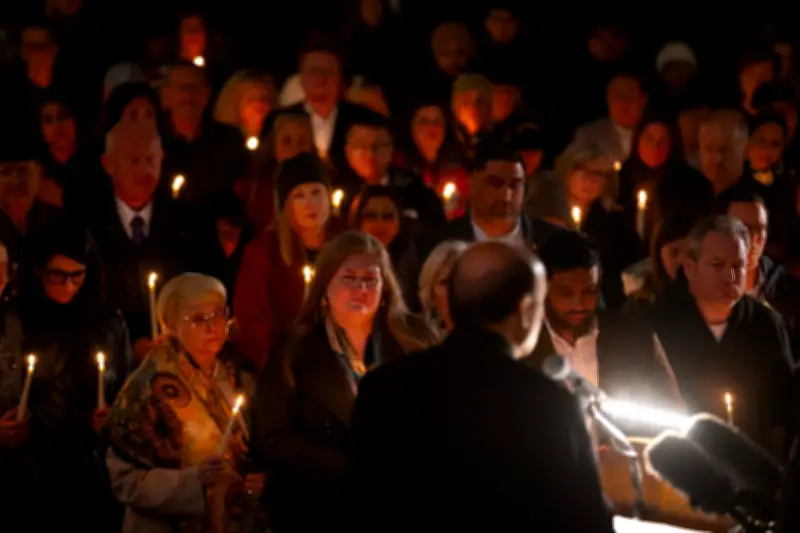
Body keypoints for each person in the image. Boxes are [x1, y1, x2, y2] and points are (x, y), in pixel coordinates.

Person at [349, 241, 615, 532]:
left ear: (451, 301)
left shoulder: (383, 386)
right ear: (525, 309)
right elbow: (588, 523)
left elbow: (359, 505)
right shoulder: (551, 405)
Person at [251, 230, 435, 533]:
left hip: (398, 505)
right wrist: (349, 469)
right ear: (325, 286)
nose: (360, 289)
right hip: (317, 507)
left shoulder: (411, 344)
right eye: (348, 278)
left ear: (385, 287)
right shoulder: (294, 351)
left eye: (370, 279)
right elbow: (272, 437)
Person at [105, 273, 264, 533]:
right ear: (170, 324)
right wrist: (192, 481)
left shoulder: (240, 374)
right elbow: (125, 480)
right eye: (198, 319)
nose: (213, 328)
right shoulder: (147, 387)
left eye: (218, 315)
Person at [636, 215, 795, 453]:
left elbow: (782, 409)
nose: (730, 278)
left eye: (737, 267)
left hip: (753, 465)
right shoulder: (657, 324)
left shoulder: (766, 324)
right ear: (690, 268)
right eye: (717, 266)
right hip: (682, 465)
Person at [522, 230, 680, 411]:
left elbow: (672, 408)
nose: (579, 303)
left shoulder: (634, 338)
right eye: (566, 293)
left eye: (589, 291)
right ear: (543, 286)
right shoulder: (522, 346)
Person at [398, 141, 563, 311]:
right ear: (472, 182)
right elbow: (406, 312)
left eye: (515, 185)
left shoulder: (555, 242)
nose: (506, 195)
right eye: (495, 184)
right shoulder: (429, 246)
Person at [234, 152, 341, 368]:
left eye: (316, 192)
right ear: (286, 205)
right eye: (299, 195)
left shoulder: (347, 243)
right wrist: (283, 363)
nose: (310, 203)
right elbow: (252, 321)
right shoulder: (262, 253)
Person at [417, 239, 468, 339]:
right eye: (445, 282)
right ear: (431, 292)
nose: (455, 289)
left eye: (462, 280)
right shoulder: (415, 340)